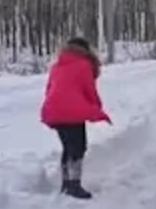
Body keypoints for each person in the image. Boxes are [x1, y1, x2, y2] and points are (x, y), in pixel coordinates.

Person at [40, 37, 112, 199]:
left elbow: (49, 90)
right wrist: (95, 108)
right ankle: (74, 185)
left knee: (67, 147)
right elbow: (89, 90)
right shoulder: (84, 65)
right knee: (79, 147)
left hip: (54, 111)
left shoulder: (56, 66)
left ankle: (66, 183)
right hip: (72, 112)